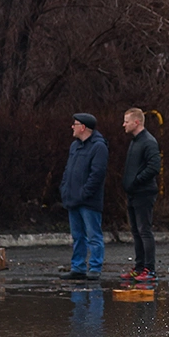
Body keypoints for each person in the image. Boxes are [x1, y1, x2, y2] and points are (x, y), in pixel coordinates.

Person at [59, 113, 108, 280]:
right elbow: (68, 170)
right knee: (77, 236)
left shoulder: (98, 147)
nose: (72, 127)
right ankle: (78, 267)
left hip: (89, 201)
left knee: (93, 235)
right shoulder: (75, 146)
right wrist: (65, 188)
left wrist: (84, 193)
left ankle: (95, 267)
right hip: (73, 198)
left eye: (75, 124)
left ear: (83, 127)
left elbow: (97, 174)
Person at [122, 108, 161, 282]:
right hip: (133, 192)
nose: (124, 124)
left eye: (127, 121)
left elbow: (154, 167)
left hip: (144, 193)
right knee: (136, 231)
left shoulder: (148, 142)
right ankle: (139, 267)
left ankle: (149, 269)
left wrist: (136, 181)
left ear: (136, 122)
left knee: (144, 230)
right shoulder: (135, 141)